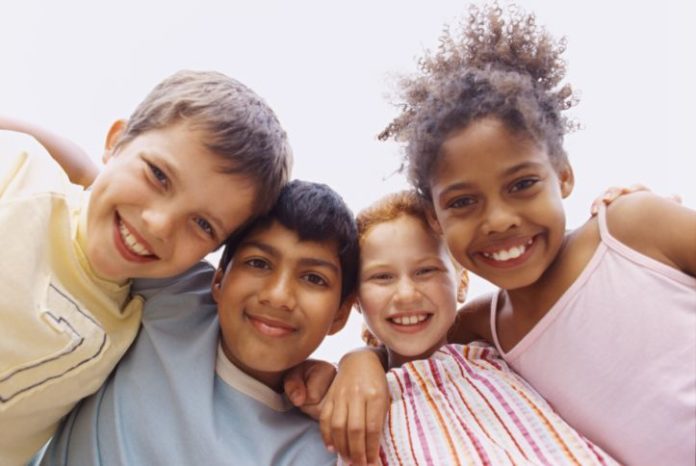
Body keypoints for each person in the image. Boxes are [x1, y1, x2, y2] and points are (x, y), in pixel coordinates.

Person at [375, 3, 696, 465]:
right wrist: (357, 367)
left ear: (563, 175)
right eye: (463, 202)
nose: (499, 220)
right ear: (434, 218)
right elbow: (401, 347)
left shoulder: (631, 228)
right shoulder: (482, 326)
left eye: (522, 185)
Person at [0, 69, 292, 465]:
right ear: (116, 142)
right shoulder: (19, 174)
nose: (159, 224)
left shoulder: (141, 318)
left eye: (203, 225)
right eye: (158, 176)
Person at [32, 179, 358, 466]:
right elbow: (94, 181)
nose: (278, 296)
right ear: (219, 280)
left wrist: (367, 361)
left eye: (314, 278)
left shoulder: (321, 446)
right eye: (258, 263)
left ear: (341, 314)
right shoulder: (179, 295)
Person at [345, 190, 617, 465]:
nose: (405, 294)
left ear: (461, 283)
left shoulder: (499, 348)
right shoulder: (353, 403)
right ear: (356, 299)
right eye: (382, 277)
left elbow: (570, 265)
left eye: (426, 271)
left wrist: (619, 208)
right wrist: (356, 360)